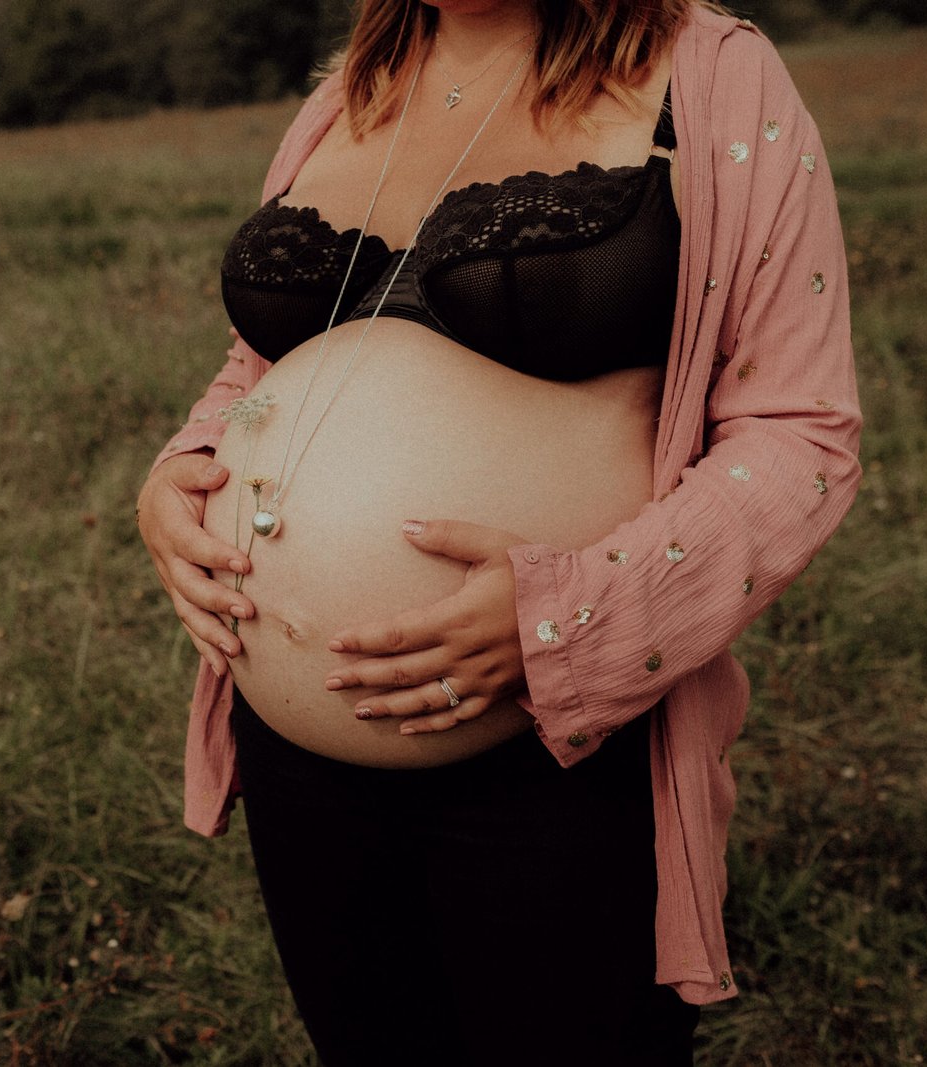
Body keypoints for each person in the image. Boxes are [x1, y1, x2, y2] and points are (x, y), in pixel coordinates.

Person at [137, 0, 860, 1062]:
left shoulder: (709, 76)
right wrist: (178, 475)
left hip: (558, 751)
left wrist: (567, 615)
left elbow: (799, 435)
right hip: (298, 749)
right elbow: (256, 372)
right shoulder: (340, 100)